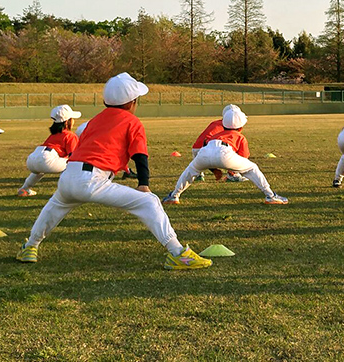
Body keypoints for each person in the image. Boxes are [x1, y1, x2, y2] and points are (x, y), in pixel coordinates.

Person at [16, 72, 211, 270]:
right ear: (132, 102)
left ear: (105, 100)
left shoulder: (95, 120)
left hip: (69, 174)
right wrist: (143, 184)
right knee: (149, 201)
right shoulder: (132, 122)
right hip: (93, 179)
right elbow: (140, 156)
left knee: (54, 208)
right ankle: (178, 253)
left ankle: (30, 246)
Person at [162, 106, 288, 205]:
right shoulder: (240, 136)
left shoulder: (217, 134)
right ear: (241, 126)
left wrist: (214, 169)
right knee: (252, 168)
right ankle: (270, 196)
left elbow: (209, 150)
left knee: (190, 171)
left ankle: (174, 196)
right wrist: (232, 171)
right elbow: (244, 159)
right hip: (225, 153)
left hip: (204, 152)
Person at [17, 104, 82, 197]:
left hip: (32, 158)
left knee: (39, 171)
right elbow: (73, 157)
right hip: (47, 158)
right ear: (67, 121)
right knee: (73, 164)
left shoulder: (53, 135)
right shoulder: (70, 135)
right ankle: (68, 191)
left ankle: (25, 188)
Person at [190, 104, 246, 182]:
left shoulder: (215, 123)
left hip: (196, 150)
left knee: (198, 167)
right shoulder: (228, 127)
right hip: (207, 150)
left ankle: (198, 175)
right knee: (232, 148)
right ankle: (233, 174)